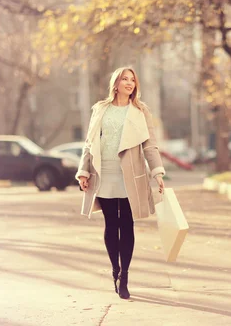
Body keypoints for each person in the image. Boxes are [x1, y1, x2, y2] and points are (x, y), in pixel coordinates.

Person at [75, 66, 166, 300]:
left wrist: (157, 173)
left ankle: (124, 275)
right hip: (103, 172)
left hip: (129, 174)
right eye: (125, 79)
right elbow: (90, 142)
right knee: (110, 224)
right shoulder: (100, 109)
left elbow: (150, 145)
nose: (129, 83)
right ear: (115, 83)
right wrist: (84, 171)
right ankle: (114, 269)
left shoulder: (140, 111)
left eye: (133, 80)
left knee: (126, 224)